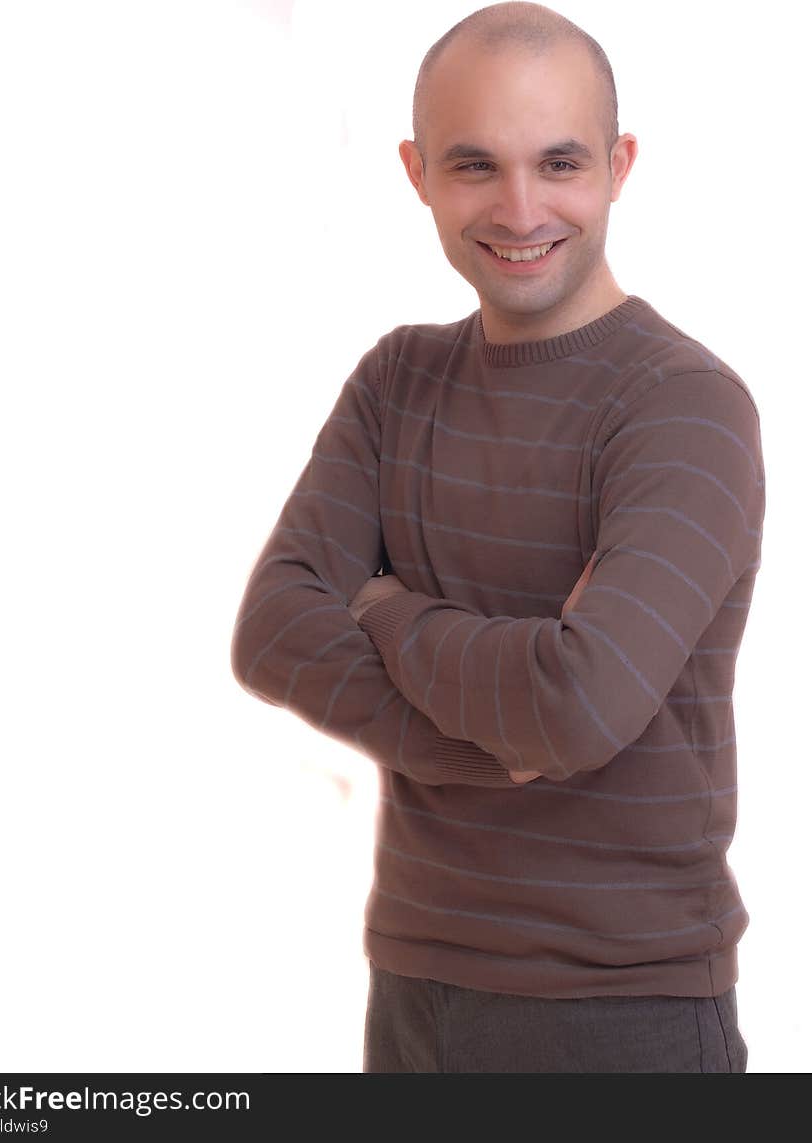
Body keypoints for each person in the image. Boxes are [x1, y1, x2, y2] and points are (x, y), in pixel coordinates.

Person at [231, 1, 764, 1073]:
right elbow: (274, 628)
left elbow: (574, 703)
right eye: (475, 166)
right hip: (413, 982)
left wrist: (380, 606)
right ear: (417, 172)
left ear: (617, 166)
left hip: (621, 1015)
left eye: (558, 163)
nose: (521, 209)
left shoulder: (683, 407)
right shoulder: (397, 381)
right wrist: (480, 743)